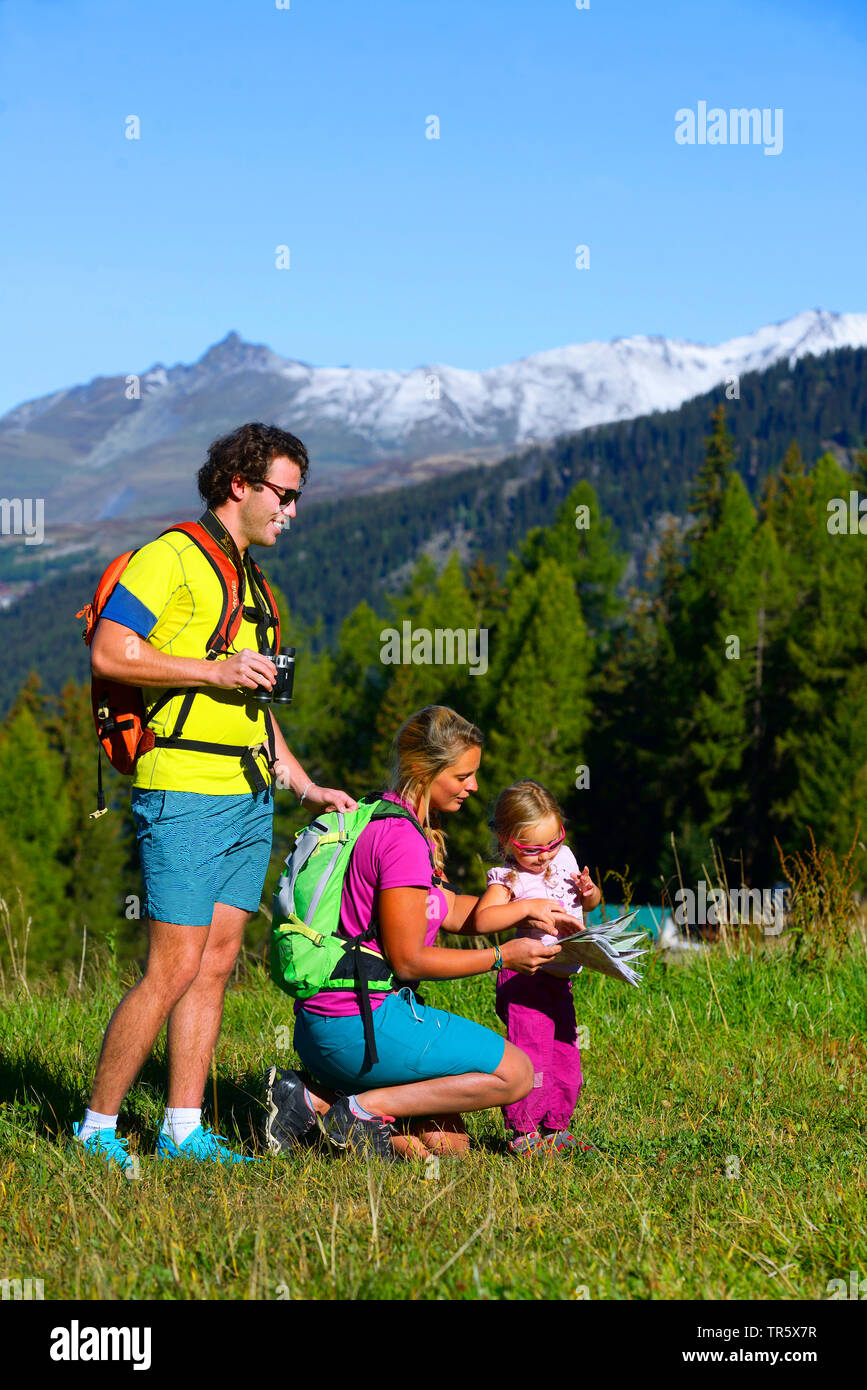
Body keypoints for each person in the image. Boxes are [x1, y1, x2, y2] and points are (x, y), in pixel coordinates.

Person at [72, 422, 356, 1170]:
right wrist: (213, 670)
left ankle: (182, 1130)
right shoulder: (171, 557)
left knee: (217, 964)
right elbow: (110, 648)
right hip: (184, 791)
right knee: (171, 967)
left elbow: (257, 710)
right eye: (284, 495)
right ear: (241, 484)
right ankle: (95, 1130)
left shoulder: (254, 583)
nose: (290, 511)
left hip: (248, 793)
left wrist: (301, 783)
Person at [265, 706, 582, 1161]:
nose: (473, 787)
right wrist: (502, 958)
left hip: (327, 1024)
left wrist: (529, 907)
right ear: (423, 770)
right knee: (515, 1074)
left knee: (448, 1147)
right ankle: (359, 1109)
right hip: (361, 1023)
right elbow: (409, 960)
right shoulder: (404, 842)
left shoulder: (382, 814)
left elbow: (449, 909)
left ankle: (308, 1101)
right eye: (462, 775)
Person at [474, 779, 601, 1155]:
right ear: (507, 842)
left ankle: (555, 1128)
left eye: (554, 841)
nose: (545, 855)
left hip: (560, 977)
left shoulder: (565, 859)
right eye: (532, 849)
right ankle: (524, 1132)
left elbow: (590, 906)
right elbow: (483, 919)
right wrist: (526, 908)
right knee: (531, 1054)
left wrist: (591, 893)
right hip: (525, 977)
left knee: (565, 1052)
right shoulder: (510, 877)